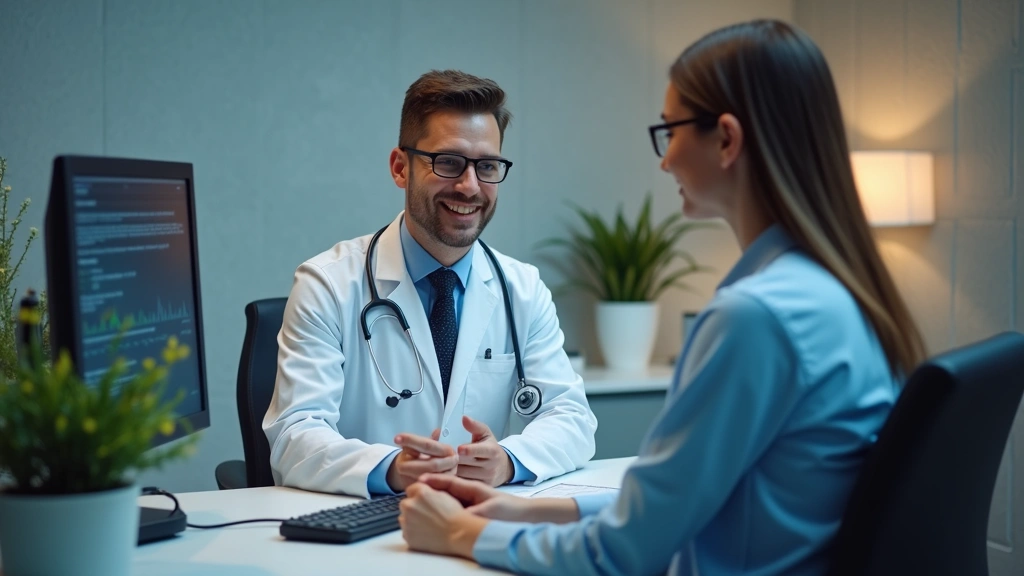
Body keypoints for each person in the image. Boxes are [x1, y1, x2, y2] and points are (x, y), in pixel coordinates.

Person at [397, 20, 927, 576]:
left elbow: (621, 554)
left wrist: (459, 533)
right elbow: (699, 497)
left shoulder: (754, 319)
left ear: (726, 139)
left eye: (669, 131)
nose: (665, 159)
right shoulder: (835, 294)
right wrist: (547, 509)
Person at [263, 70, 598, 498]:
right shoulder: (327, 284)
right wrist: (390, 469)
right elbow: (295, 433)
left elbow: (572, 417)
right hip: (365, 536)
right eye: (449, 162)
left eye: (488, 166)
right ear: (401, 168)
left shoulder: (523, 289)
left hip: (476, 526)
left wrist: (509, 461)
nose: (470, 186)